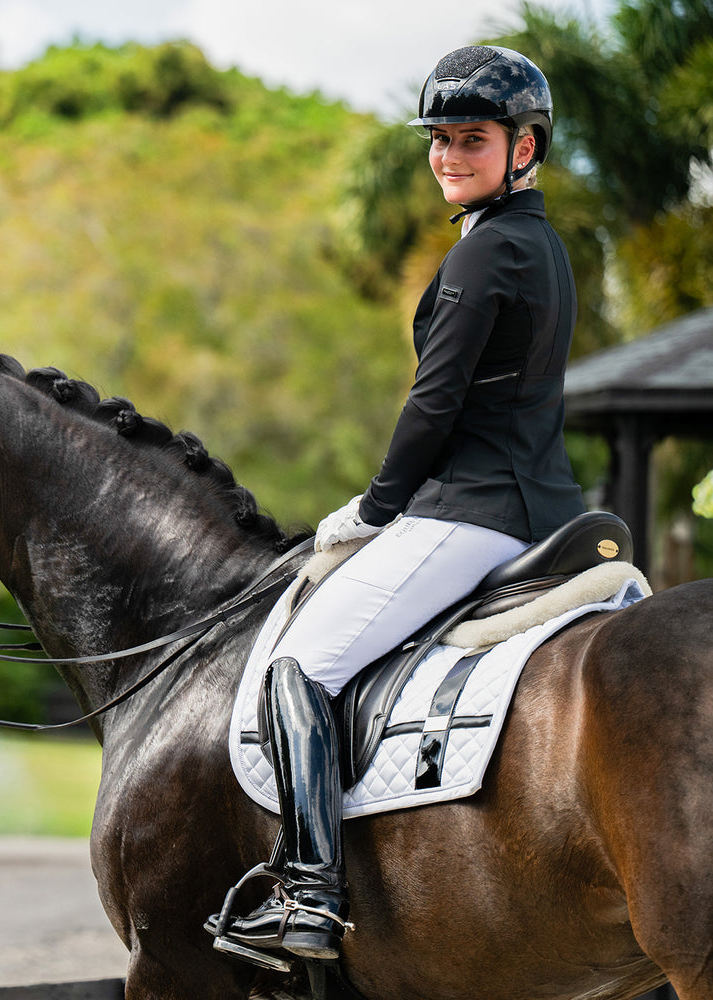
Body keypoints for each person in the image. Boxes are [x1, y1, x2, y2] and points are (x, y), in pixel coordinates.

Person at [218, 45, 586, 962]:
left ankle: (309, 895)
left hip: (469, 512)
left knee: (298, 667)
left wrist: (375, 511)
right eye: (440, 139)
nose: (450, 157)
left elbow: (435, 404)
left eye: (473, 139)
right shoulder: (542, 245)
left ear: (525, 147)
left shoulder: (486, 253)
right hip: (550, 509)